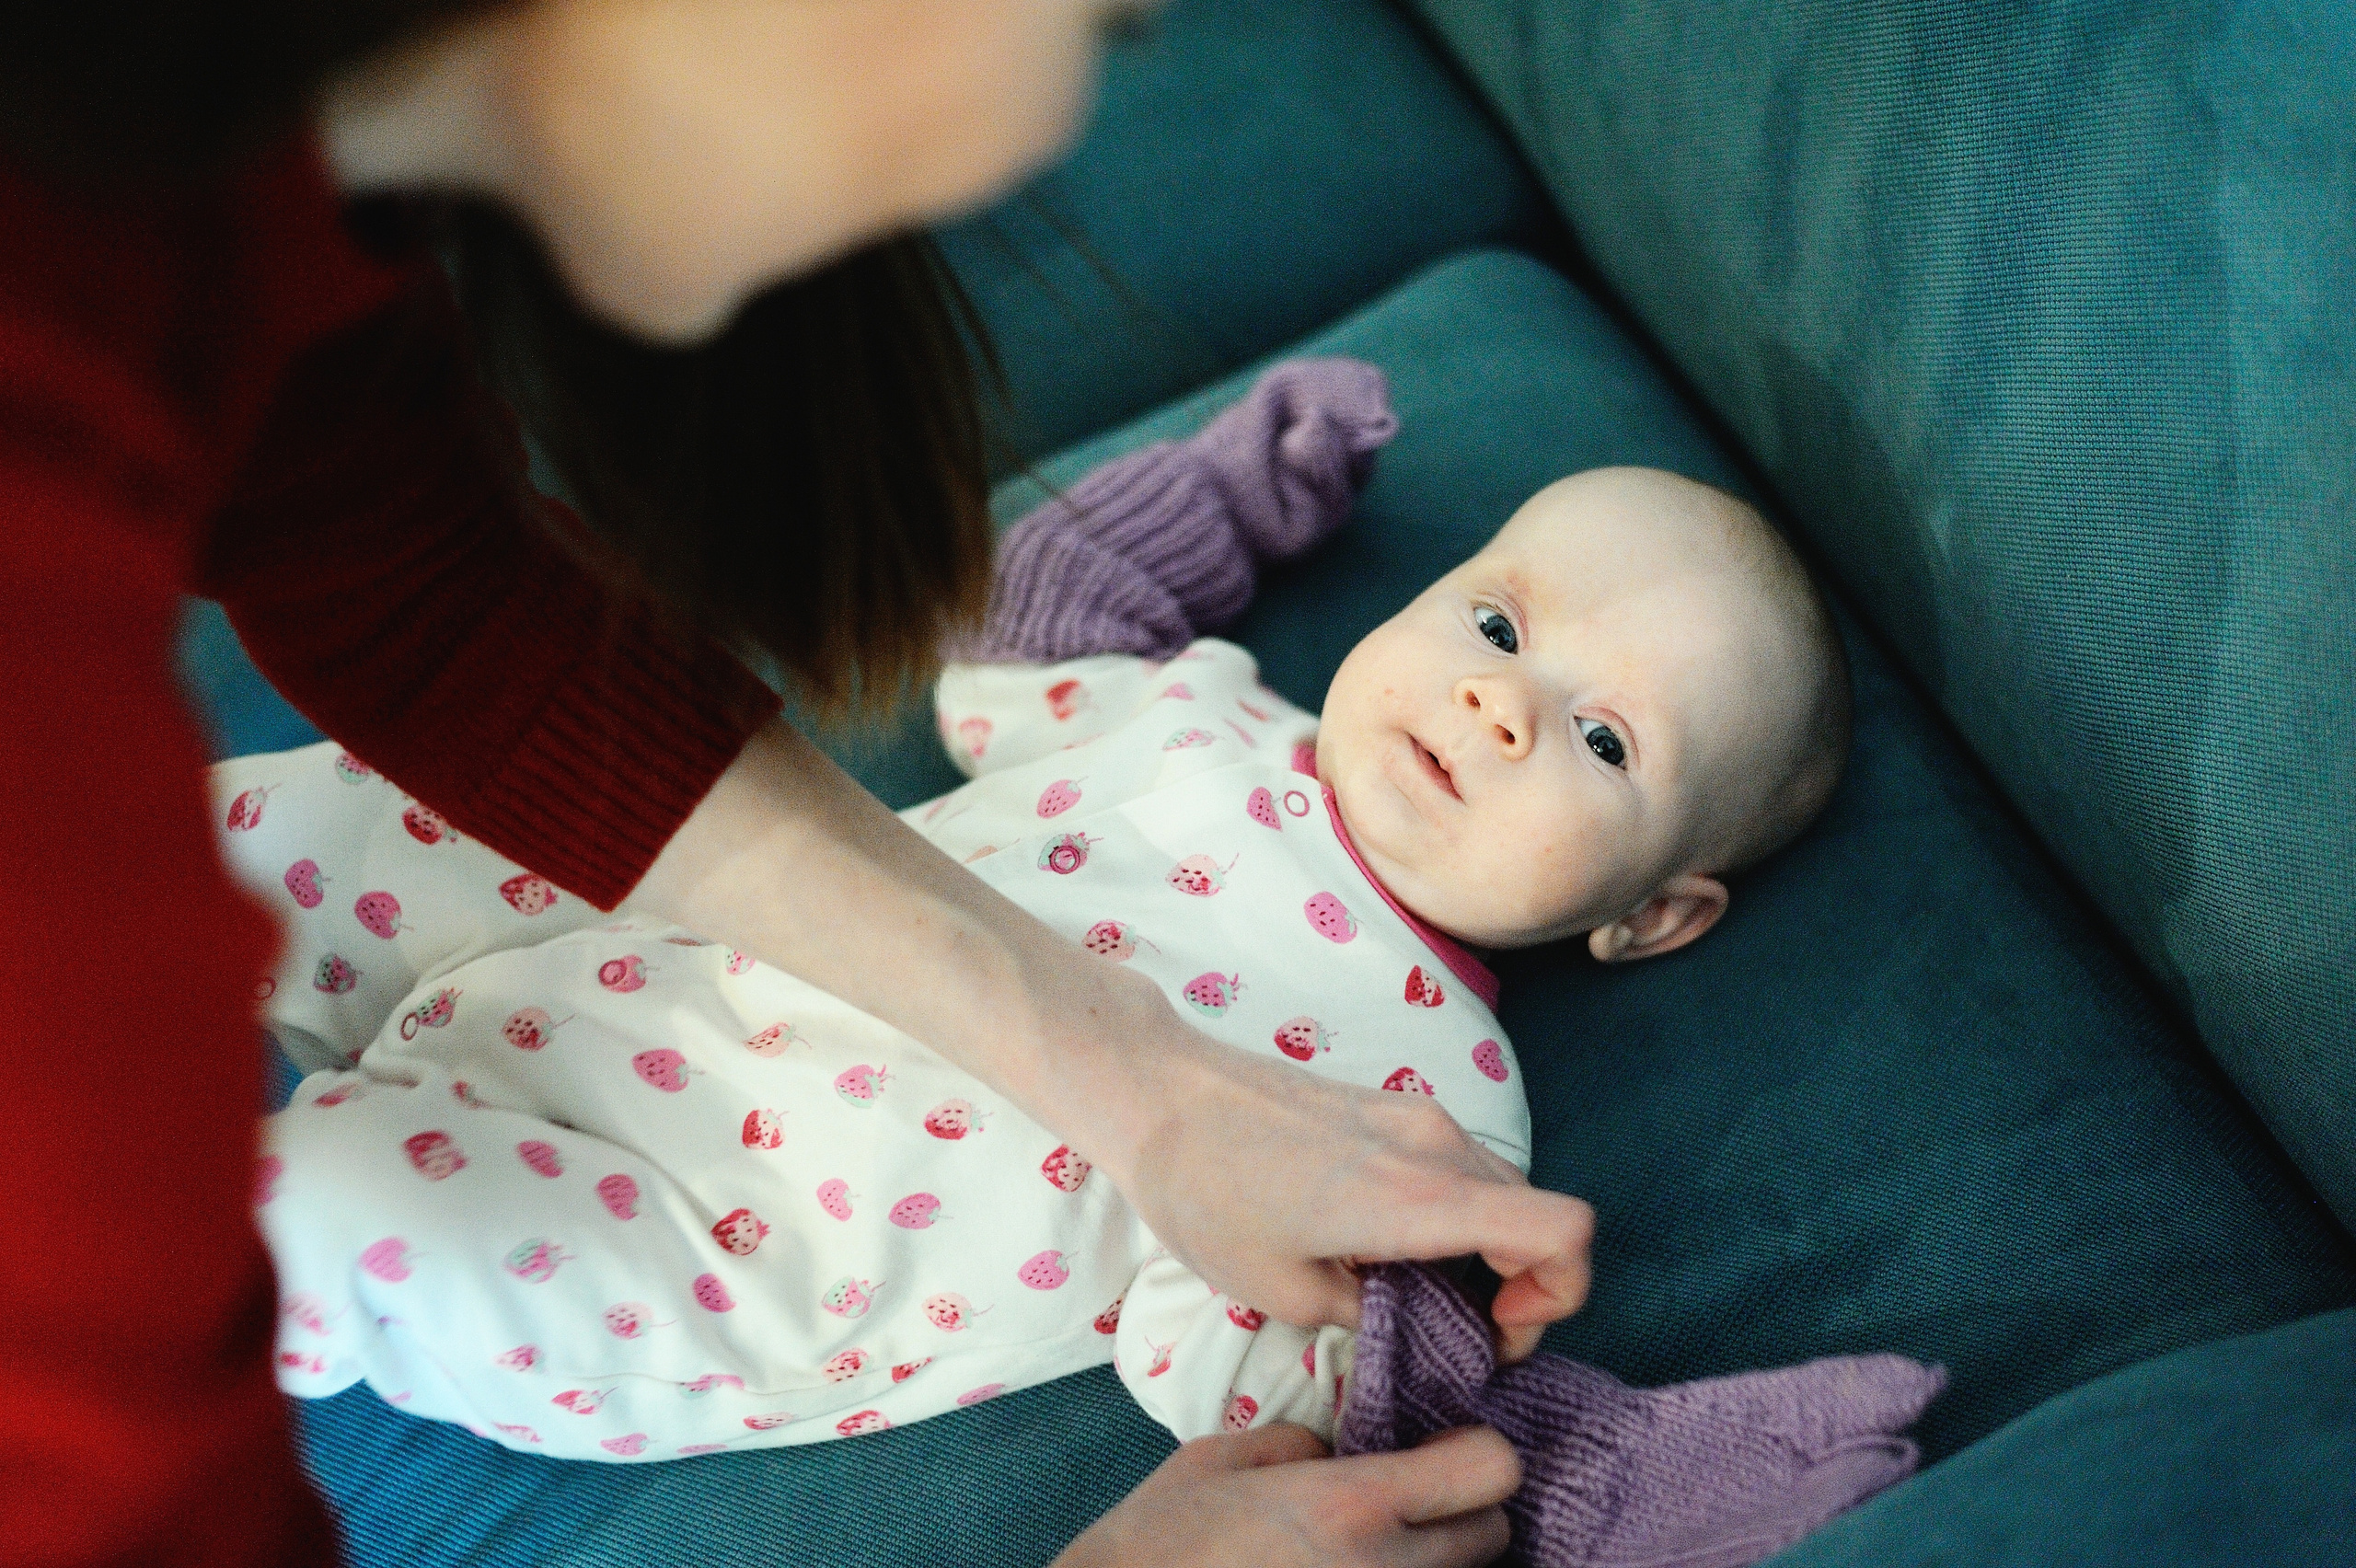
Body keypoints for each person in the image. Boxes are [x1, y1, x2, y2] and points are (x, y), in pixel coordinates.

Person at [0, 5, 1593, 1566]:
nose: (1076, 105)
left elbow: (415, 579)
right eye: (1110, 23)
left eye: (1612, 740)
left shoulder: (230, 191)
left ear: (1660, 909)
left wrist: (1147, 1088)